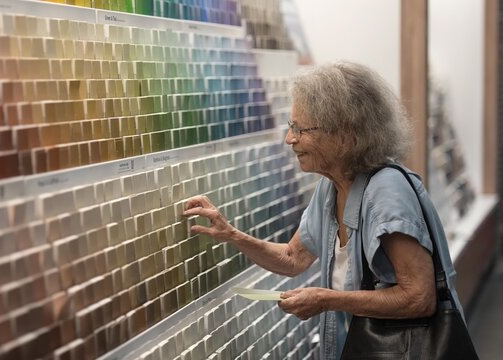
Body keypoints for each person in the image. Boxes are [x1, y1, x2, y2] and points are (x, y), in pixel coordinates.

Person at [183, 61, 463, 360]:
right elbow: (293, 258)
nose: (289, 139)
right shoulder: (331, 188)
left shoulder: (387, 191)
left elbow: (419, 298)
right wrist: (232, 235)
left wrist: (327, 299)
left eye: (300, 129)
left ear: (344, 135)